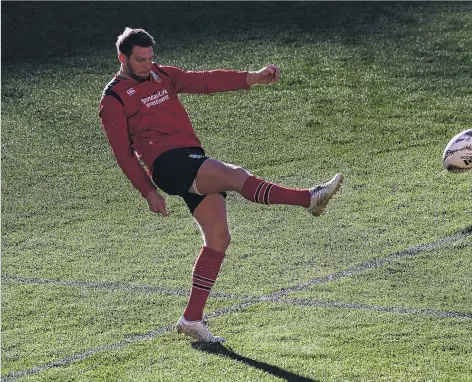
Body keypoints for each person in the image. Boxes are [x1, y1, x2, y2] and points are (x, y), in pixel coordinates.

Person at [99, 27, 343, 343]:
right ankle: (308, 199)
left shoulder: (162, 75)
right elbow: (124, 155)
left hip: (190, 156)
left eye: (150, 57)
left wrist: (252, 78)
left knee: (218, 240)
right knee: (234, 175)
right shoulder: (114, 99)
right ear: (123, 58)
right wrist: (148, 191)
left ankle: (192, 319)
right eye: (140, 59)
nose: (147, 64)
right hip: (168, 165)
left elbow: (204, 81)